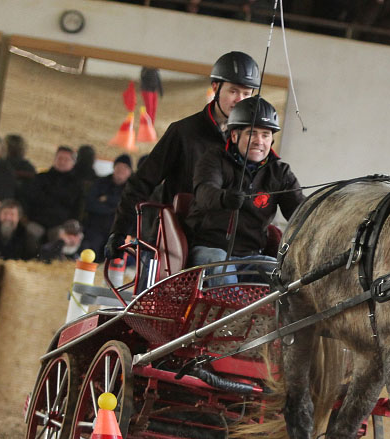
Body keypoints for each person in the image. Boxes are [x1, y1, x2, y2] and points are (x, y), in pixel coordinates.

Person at [106, 51, 261, 262]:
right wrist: (119, 231)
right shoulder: (183, 132)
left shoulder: (255, 142)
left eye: (246, 94)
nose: (239, 100)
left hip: (234, 245)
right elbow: (141, 183)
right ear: (215, 88)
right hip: (177, 244)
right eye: (233, 91)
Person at [185, 97, 304, 282]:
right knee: (225, 273)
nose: (259, 141)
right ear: (234, 136)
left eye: (265, 135)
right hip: (210, 250)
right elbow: (204, 193)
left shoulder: (280, 173)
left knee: (284, 276)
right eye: (252, 133)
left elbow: (300, 212)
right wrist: (224, 198)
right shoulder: (214, 159)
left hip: (251, 256)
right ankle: (228, 312)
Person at [23, 146, 84, 237]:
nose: (62, 162)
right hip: (37, 221)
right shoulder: (40, 178)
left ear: (73, 163)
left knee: (60, 236)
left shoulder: (77, 184)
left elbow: (78, 208)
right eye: (59, 158)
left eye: (66, 159)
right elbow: (29, 198)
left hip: (62, 224)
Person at [82, 154, 132, 261]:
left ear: (130, 172)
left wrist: (107, 199)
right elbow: (90, 204)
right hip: (96, 226)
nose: (121, 171)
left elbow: (130, 207)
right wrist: (114, 208)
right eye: (118, 167)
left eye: (125, 169)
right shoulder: (101, 183)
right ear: (114, 168)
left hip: (119, 230)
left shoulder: (131, 189)